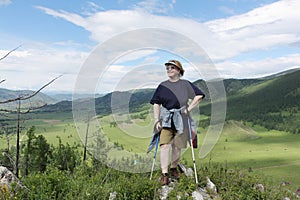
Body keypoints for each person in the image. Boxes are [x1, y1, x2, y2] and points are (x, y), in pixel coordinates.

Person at [150, 59, 205, 186]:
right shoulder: (162, 86)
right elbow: (156, 103)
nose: (169, 70)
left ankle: (173, 168)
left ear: (179, 70)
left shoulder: (185, 84)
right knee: (164, 145)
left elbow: (199, 95)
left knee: (177, 146)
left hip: (181, 118)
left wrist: (188, 109)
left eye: (172, 68)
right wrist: (156, 120)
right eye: (167, 68)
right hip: (166, 119)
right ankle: (164, 174)